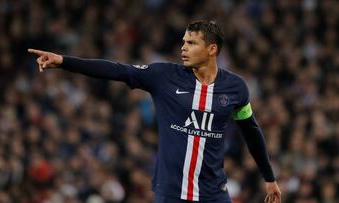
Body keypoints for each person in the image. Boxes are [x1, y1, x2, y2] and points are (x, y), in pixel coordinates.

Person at [28, 20, 281, 203]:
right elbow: (118, 70)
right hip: (171, 193)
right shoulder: (163, 76)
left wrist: (268, 177)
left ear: (212, 49)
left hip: (213, 193)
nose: (183, 47)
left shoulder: (236, 88)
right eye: (183, 41)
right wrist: (64, 61)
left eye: (191, 43)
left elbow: (251, 131)